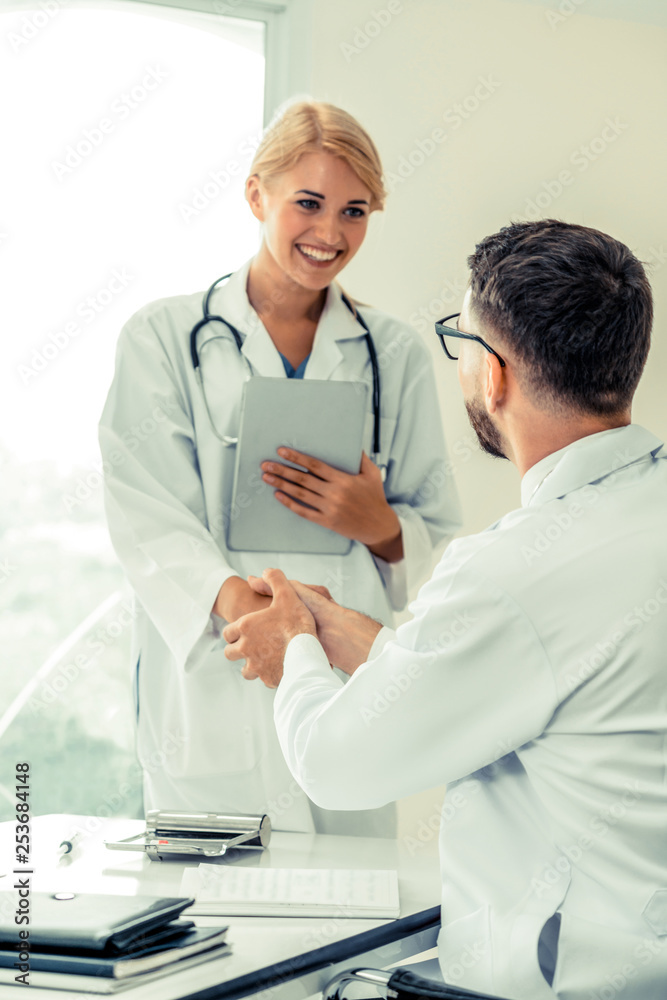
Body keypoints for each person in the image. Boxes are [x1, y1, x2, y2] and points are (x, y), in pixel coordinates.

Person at [223, 220, 667, 997]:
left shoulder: (515, 571)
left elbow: (334, 763)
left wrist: (294, 642)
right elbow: (527, 675)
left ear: (491, 374)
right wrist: (346, 636)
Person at [98, 100, 461, 835]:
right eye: (308, 203)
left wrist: (380, 525)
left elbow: (439, 529)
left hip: (342, 691)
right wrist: (256, 616)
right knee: (213, 923)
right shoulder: (162, 337)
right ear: (255, 194)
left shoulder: (394, 353)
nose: (330, 233)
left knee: (347, 927)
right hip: (217, 677)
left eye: (354, 211)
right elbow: (146, 513)